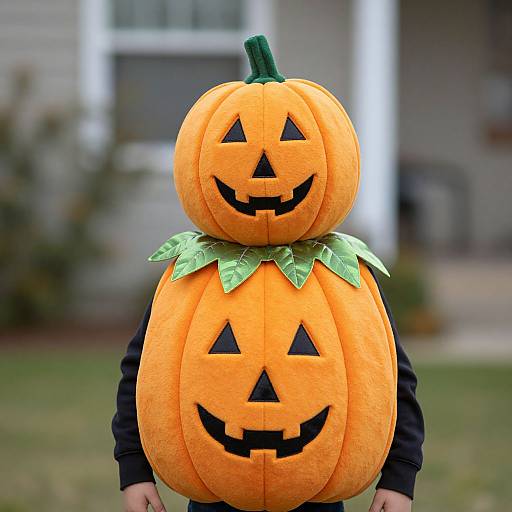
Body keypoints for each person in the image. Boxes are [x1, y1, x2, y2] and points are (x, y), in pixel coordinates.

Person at [112, 268, 424, 512]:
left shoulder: (343, 276)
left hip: (316, 501)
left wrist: (399, 477)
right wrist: (134, 468)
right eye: (226, 346)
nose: (264, 389)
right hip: (215, 499)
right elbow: (143, 375)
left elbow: (391, 378)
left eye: (303, 347)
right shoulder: (191, 275)